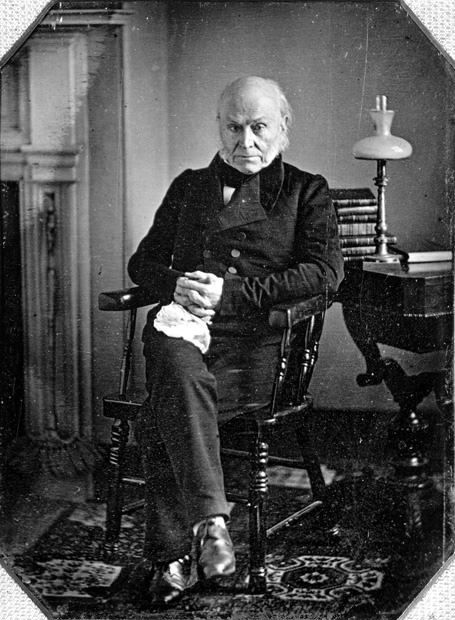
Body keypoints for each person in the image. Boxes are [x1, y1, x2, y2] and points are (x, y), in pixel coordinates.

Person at [127, 75, 344, 607]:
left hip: (256, 345)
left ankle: (172, 558)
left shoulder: (306, 190)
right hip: (183, 332)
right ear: (219, 128)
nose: (246, 141)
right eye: (234, 127)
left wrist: (232, 294)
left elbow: (325, 273)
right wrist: (174, 284)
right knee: (174, 371)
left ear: (283, 128)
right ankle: (212, 526)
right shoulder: (188, 186)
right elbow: (142, 262)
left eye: (259, 127)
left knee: (167, 404)